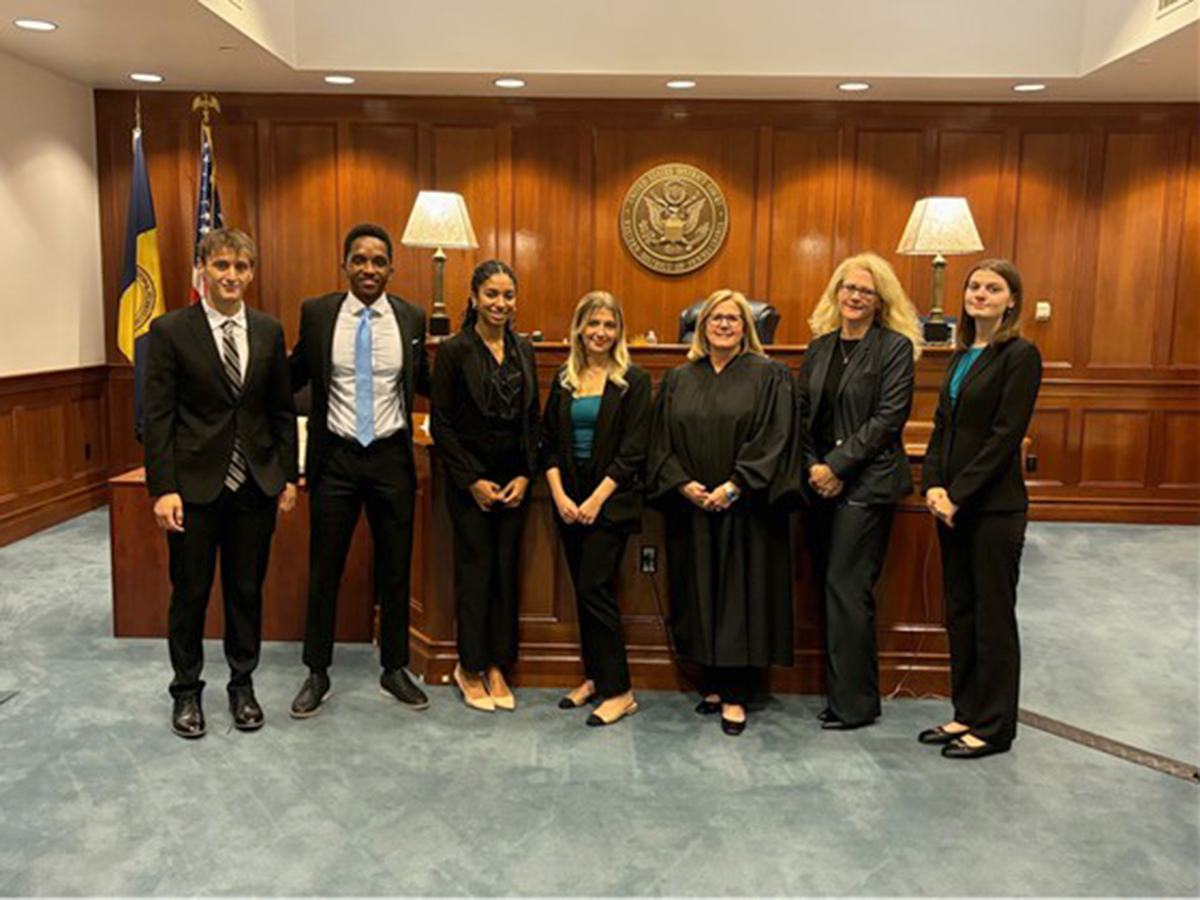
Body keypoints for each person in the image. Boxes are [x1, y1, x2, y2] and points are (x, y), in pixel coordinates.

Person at [144, 228, 298, 738]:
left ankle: (242, 685)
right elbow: (158, 416)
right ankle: (186, 692)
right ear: (203, 271)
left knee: (245, 590)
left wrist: (289, 476)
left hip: (254, 485)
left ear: (251, 273)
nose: (231, 276)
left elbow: (281, 409)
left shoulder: (270, 330)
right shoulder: (170, 331)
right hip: (193, 488)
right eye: (222, 266)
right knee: (189, 592)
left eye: (241, 267)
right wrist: (163, 487)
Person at [288, 223, 431, 718]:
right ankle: (317, 671)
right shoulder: (318, 314)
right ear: (344, 265)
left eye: (378, 261)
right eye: (360, 260)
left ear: (392, 268)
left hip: (391, 456)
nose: (369, 268)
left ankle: (394, 668)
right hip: (337, 460)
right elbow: (293, 376)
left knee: (396, 569)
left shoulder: (411, 319)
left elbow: (429, 382)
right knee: (324, 568)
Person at [648, 289, 794, 736]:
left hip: (745, 507)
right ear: (701, 326)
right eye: (716, 318)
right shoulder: (679, 378)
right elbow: (659, 441)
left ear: (746, 326)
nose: (725, 324)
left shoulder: (770, 376)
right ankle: (711, 681)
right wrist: (683, 484)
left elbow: (776, 437)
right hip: (692, 506)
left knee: (738, 595)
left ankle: (736, 694)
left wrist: (735, 486)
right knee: (699, 591)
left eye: (733, 318)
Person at [920, 259, 1042, 760]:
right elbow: (941, 427)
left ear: (1011, 300)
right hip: (950, 505)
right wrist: (931, 485)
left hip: (992, 509)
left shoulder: (1020, 354)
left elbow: (1004, 436)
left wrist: (958, 493)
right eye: (974, 287)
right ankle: (966, 711)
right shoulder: (961, 353)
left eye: (993, 288)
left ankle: (994, 726)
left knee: (993, 616)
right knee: (961, 612)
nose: (980, 295)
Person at [795, 253, 921, 730]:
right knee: (830, 589)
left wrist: (836, 467)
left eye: (865, 291)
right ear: (836, 292)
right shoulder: (820, 347)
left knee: (848, 590)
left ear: (880, 300)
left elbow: (888, 420)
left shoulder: (894, 348)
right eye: (848, 288)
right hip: (818, 484)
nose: (855, 297)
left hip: (867, 485)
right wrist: (812, 465)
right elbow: (802, 413)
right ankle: (840, 695)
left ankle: (855, 704)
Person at [431, 260, 539, 712]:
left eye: (508, 295)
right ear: (474, 297)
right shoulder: (455, 350)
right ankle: (468, 666)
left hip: (513, 481)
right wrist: (471, 480)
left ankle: (497, 664)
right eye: (492, 294)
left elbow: (531, 419)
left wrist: (523, 475)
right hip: (470, 482)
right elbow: (443, 423)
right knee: (475, 572)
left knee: (505, 573)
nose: (501, 304)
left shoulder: (524, 348)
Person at [541, 292, 650, 727]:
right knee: (582, 592)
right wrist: (561, 496)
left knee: (595, 589)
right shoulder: (564, 377)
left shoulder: (633, 381)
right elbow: (546, 442)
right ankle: (595, 677)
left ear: (618, 331)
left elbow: (633, 451)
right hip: (569, 500)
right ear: (580, 329)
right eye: (594, 324)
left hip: (611, 501)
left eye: (609, 325)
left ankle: (621, 691)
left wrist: (595, 499)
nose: (601, 332)